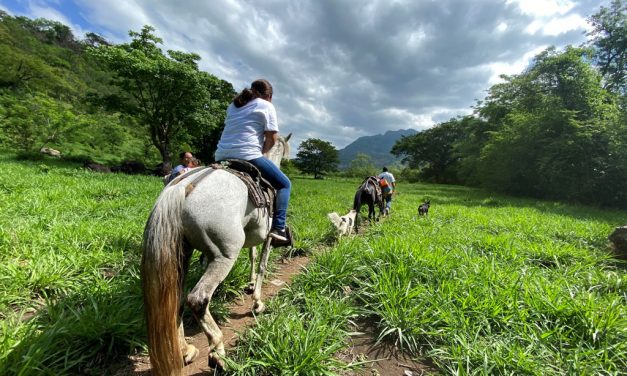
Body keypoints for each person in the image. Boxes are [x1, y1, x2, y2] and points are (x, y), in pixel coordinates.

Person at [214, 79, 292, 242]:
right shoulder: (266, 106)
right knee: (284, 184)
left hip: (221, 156)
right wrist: (263, 152)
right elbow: (272, 137)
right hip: (248, 155)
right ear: (269, 96)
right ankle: (279, 227)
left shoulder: (233, 105)